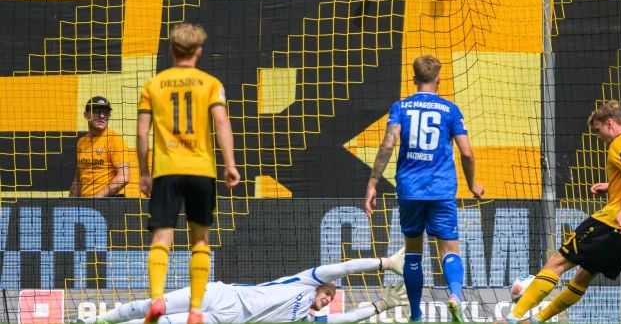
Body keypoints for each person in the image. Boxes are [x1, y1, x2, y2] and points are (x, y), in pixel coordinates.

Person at [498, 101, 621, 324]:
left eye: (598, 130)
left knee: (556, 263)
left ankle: (511, 319)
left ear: (610, 123)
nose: (599, 137)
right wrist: (612, 185)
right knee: (583, 278)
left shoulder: (619, 143)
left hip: (614, 221)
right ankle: (536, 320)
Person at [364, 55, 484, 323]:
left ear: (414, 79)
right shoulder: (450, 109)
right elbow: (466, 153)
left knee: (413, 253)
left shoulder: (400, 107)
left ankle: (416, 315)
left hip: (410, 191)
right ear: (439, 79)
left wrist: (372, 183)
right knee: (449, 251)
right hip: (441, 190)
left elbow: (388, 145)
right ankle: (455, 297)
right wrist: (472, 184)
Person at [137, 23, 241, 324]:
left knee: (161, 238)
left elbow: (142, 133)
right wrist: (230, 164)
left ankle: (157, 299)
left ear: (171, 49)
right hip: (201, 171)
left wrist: (144, 172)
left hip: (166, 171)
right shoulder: (210, 83)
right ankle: (195, 310)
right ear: (199, 51)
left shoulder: (153, 84)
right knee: (200, 241)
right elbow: (221, 122)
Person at [85, 251, 408, 324]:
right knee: (153, 305)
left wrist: (381, 305)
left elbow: (346, 319)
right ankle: (96, 320)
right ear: (321, 287)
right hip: (221, 293)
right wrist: (383, 263)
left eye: (330, 300)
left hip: (224, 319)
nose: (327, 300)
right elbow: (346, 268)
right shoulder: (307, 280)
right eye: (328, 294)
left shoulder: (306, 319)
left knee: (161, 321)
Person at [70, 97, 131, 198]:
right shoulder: (81, 142)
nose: (102, 116)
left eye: (105, 113)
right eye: (97, 111)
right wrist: (70, 203)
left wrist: (97, 199)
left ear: (109, 116)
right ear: (86, 115)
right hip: (86, 203)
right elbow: (78, 179)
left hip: (110, 201)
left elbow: (124, 177)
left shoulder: (115, 140)